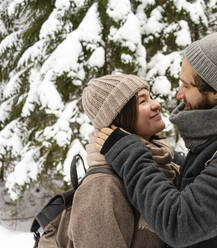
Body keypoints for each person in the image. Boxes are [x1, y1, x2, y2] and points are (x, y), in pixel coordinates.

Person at [95, 31, 217, 248]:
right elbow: (210, 175)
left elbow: (178, 223)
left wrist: (129, 154)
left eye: (186, 85)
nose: (179, 95)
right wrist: (166, 158)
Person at [68, 74, 179, 248]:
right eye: (142, 101)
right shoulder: (102, 187)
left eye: (151, 98)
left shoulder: (167, 165)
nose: (156, 104)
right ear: (117, 120)